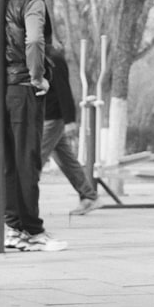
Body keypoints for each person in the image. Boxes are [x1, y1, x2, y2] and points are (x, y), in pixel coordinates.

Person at [2, 0, 67, 252]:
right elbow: (35, 39)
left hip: (4, 88)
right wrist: (38, 75)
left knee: (11, 162)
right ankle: (32, 231)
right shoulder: (33, 2)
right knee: (27, 161)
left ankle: (13, 228)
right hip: (26, 88)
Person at [41, 45, 102, 216]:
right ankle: (89, 197)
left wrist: (69, 121)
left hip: (52, 118)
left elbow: (63, 90)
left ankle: (20, 205)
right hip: (44, 117)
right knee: (65, 159)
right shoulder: (37, 55)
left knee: (32, 160)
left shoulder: (53, 58)